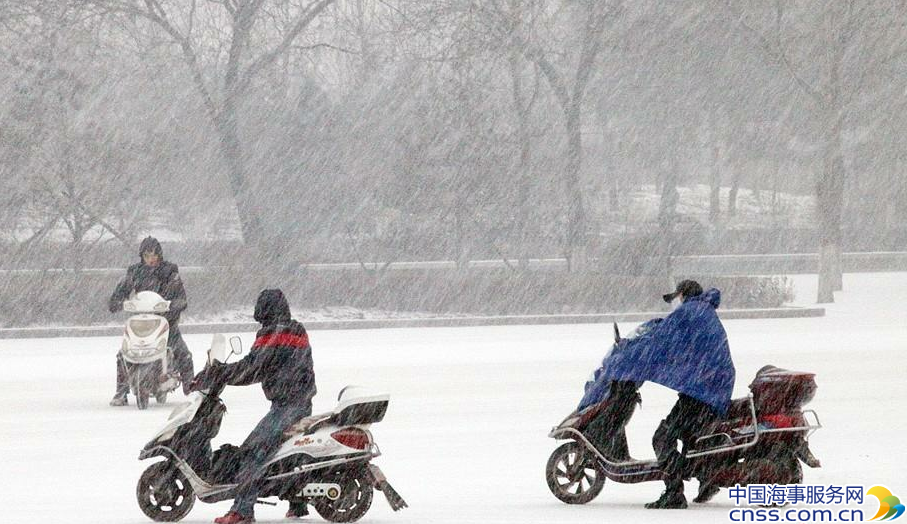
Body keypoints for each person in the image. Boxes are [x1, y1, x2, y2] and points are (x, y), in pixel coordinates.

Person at [599, 279, 736, 509]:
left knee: (663, 437)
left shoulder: (690, 312)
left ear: (683, 295)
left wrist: (627, 357)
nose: (677, 302)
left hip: (703, 392)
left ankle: (674, 493)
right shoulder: (703, 311)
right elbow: (674, 341)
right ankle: (708, 479)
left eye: (677, 298)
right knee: (692, 434)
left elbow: (660, 341)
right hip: (712, 388)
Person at [194, 289, 317, 524]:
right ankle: (297, 503)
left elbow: (252, 368)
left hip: (288, 406)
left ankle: (242, 511)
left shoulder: (276, 334)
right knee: (282, 451)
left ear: (264, 310)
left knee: (254, 453)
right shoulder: (294, 328)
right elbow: (261, 365)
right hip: (298, 402)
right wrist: (222, 371)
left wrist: (218, 372)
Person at [108, 236, 194, 406]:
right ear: (142, 256)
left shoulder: (170, 271)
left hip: (166, 322)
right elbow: (119, 294)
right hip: (140, 321)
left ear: (160, 255)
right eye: (147, 255)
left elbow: (181, 297)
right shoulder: (134, 272)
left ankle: (191, 389)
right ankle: (121, 392)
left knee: (183, 354)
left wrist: (174, 305)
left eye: (154, 255)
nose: (151, 259)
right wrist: (118, 302)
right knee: (123, 354)